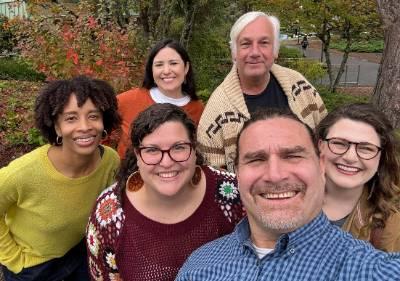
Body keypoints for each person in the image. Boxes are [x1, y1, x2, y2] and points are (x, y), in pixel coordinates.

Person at [176, 108, 400, 281]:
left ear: (321, 165)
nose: (275, 175)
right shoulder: (199, 267)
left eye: (293, 156)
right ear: (237, 173)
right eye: (256, 159)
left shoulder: (368, 269)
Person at [87, 103, 244, 281]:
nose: (167, 162)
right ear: (137, 155)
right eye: (152, 150)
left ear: (193, 150)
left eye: (178, 147)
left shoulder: (232, 195)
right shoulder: (109, 216)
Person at [0, 76, 121, 281]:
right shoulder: (23, 173)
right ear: (56, 127)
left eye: (93, 116)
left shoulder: (109, 160)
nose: (85, 126)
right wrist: (14, 259)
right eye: (71, 118)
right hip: (34, 267)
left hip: (80, 253)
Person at [197, 11, 327, 172]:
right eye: (246, 44)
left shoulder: (300, 87)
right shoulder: (217, 113)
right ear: (234, 53)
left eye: (264, 43)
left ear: (275, 51)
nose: (255, 52)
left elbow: (326, 141)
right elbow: (213, 177)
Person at [316, 103, 400, 251]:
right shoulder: (283, 199)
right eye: (339, 143)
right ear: (320, 146)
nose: (350, 157)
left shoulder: (388, 225)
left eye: (366, 148)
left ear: (381, 157)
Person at [112, 38, 204, 158]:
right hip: (128, 175)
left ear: (186, 67)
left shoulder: (198, 110)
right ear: (151, 70)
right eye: (159, 65)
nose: (166, 71)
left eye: (173, 63)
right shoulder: (126, 100)